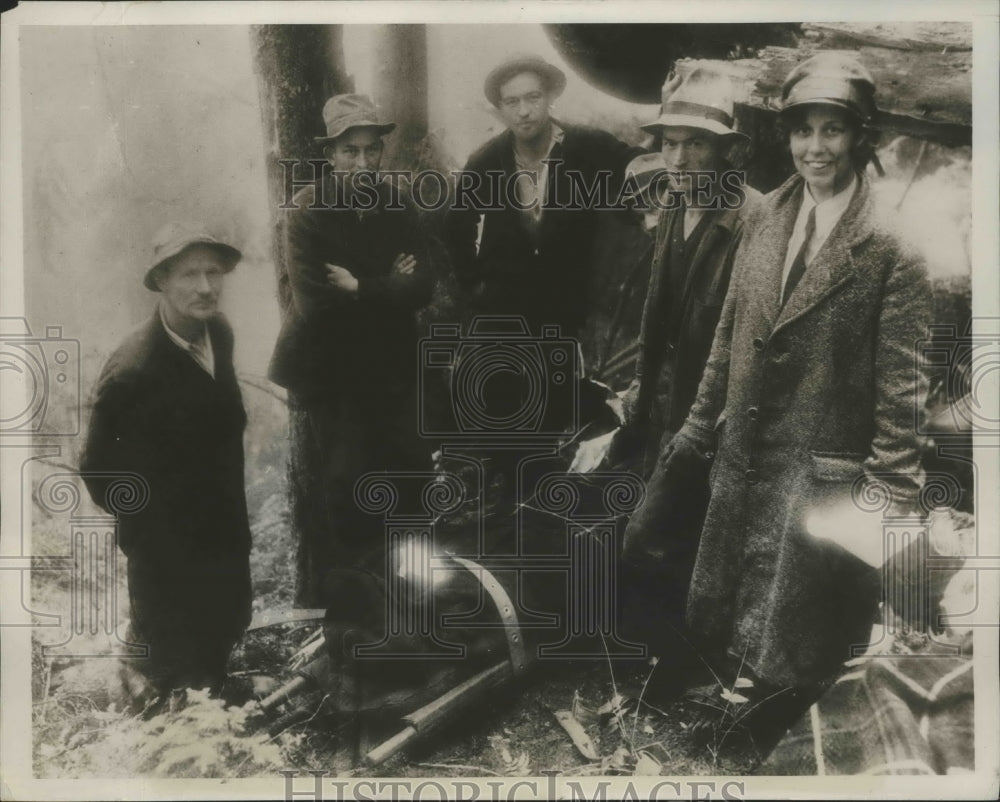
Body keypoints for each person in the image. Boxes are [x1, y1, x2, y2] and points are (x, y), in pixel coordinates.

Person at [665, 52, 931, 721]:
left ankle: (780, 712)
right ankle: (736, 688)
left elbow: (904, 382)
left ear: (860, 136)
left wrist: (891, 490)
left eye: (832, 130)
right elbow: (730, 333)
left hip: (823, 461)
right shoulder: (767, 215)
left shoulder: (893, 243)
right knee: (734, 587)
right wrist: (700, 427)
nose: (814, 148)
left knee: (805, 614)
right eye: (802, 130)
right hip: (746, 449)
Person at [614, 69, 761, 657]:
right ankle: (651, 650)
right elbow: (661, 314)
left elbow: (749, 335)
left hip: (715, 411)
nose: (678, 157)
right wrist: (639, 390)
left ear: (728, 151)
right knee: (656, 527)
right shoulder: (674, 204)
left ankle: (682, 659)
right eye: (669, 143)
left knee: (681, 532)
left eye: (695, 143)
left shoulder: (754, 220)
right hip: (665, 400)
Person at [268, 94, 433, 608]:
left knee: (410, 471)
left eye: (371, 151)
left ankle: (416, 594)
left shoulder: (400, 203)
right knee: (349, 482)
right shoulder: (305, 213)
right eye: (349, 152)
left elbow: (425, 285)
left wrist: (360, 286)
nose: (362, 163)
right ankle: (355, 608)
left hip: (393, 367)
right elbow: (316, 303)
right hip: (332, 371)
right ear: (330, 155)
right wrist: (390, 283)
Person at [81, 223, 252, 708]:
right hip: (166, 547)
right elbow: (97, 467)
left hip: (222, 525)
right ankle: (154, 709)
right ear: (160, 281)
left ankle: (213, 701)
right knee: (169, 662)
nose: (205, 287)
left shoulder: (218, 331)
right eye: (189, 274)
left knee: (222, 628)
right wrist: (151, 525)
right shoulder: (135, 369)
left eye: (214, 273)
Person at [445, 54, 643, 340]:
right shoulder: (486, 160)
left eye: (533, 97)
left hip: (566, 305)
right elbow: (457, 226)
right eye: (512, 102)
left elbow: (635, 163)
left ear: (550, 97)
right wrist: (473, 284)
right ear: (501, 108)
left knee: (560, 380)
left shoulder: (586, 145)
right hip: (501, 309)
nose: (524, 111)